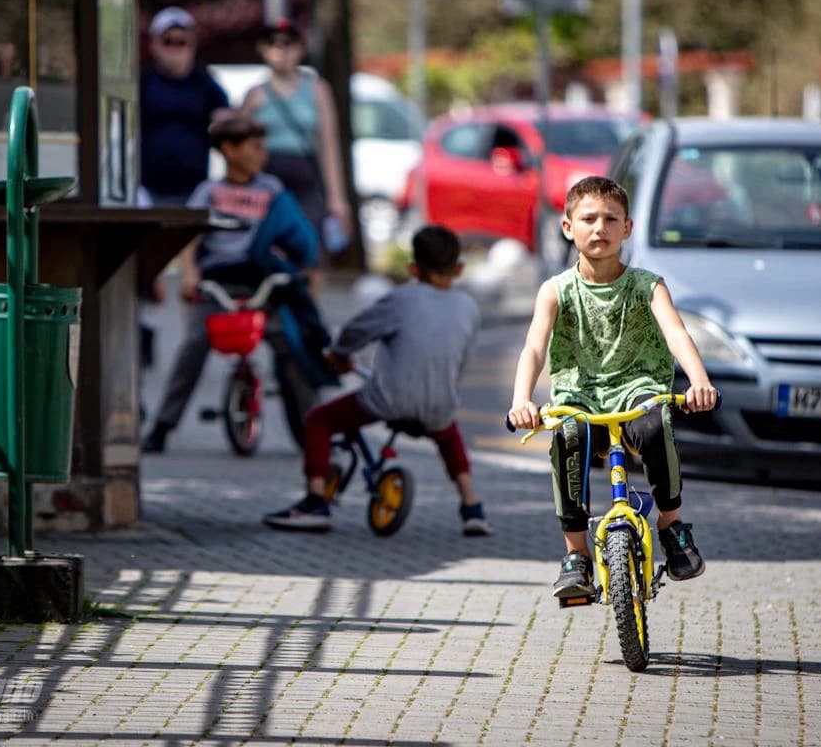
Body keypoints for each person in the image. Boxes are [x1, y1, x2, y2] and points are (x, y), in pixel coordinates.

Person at [506, 175, 718, 599]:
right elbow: (533, 346)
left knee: (656, 424)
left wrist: (699, 380)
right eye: (587, 219)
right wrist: (521, 400)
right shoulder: (556, 291)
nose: (598, 228)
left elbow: (677, 335)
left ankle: (671, 526)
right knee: (567, 436)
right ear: (568, 227)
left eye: (610, 218)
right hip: (579, 397)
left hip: (638, 388)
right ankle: (576, 556)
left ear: (627, 228)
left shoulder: (648, 286)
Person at [263, 225, 492, 536]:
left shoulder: (400, 299)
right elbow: (462, 360)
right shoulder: (468, 308)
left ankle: (314, 502)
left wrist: (339, 354)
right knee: (448, 436)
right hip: (440, 404)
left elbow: (357, 331)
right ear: (460, 268)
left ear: (413, 268)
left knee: (319, 420)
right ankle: (472, 507)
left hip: (387, 399)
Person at [141, 113, 322, 454]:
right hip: (217, 280)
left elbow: (292, 233)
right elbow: (190, 237)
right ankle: (163, 426)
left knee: (290, 346)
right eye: (255, 147)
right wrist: (190, 273)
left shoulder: (271, 190)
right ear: (230, 150)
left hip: (258, 279)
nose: (263, 154)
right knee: (194, 343)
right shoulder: (209, 191)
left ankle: (311, 432)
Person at [240, 18, 351, 255]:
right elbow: (240, 147)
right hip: (267, 178)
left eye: (287, 43)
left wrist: (336, 197)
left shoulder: (317, 90)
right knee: (268, 247)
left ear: (300, 49)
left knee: (309, 247)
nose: (280, 50)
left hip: (307, 177)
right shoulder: (255, 95)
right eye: (273, 44)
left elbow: (329, 146)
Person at [138, 6, 229, 207]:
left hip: (195, 188)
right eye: (167, 41)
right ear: (154, 44)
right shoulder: (142, 81)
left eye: (182, 42)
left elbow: (225, 122)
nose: (175, 48)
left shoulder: (205, 82)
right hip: (146, 188)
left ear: (192, 45)